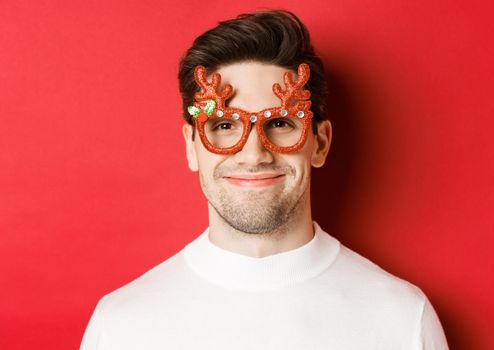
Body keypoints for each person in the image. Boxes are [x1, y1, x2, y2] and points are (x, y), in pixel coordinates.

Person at [80, 9, 449, 350]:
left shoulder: (402, 319)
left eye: (280, 124)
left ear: (319, 144)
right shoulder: (122, 327)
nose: (254, 154)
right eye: (224, 126)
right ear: (192, 146)